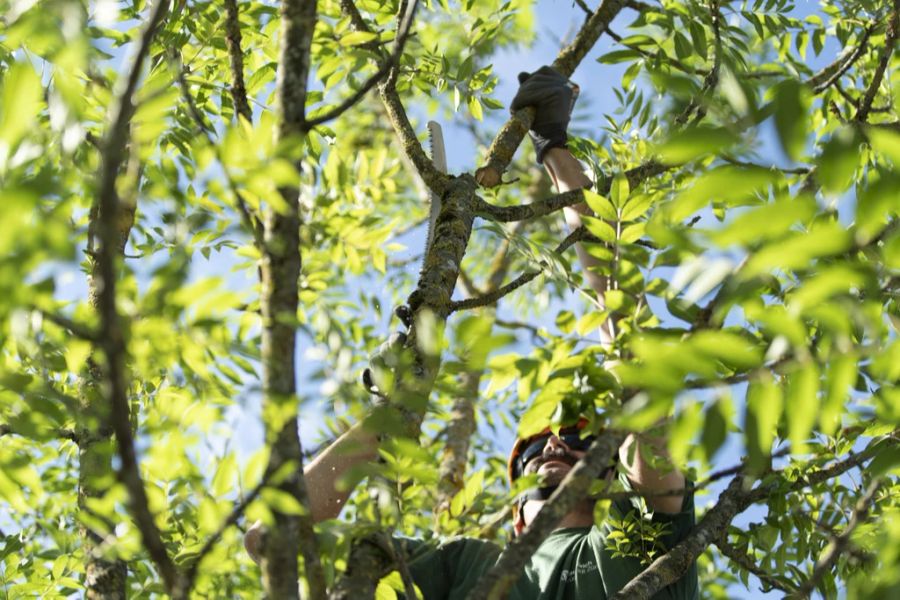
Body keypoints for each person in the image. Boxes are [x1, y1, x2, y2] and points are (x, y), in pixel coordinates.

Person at [245, 66, 700, 599]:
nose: (554, 443)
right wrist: (391, 413)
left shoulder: (633, 543)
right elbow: (271, 537)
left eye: (578, 440)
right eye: (533, 450)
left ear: (608, 474)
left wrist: (556, 151)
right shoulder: (465, 564)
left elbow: (636, 359)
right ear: (514, 512)